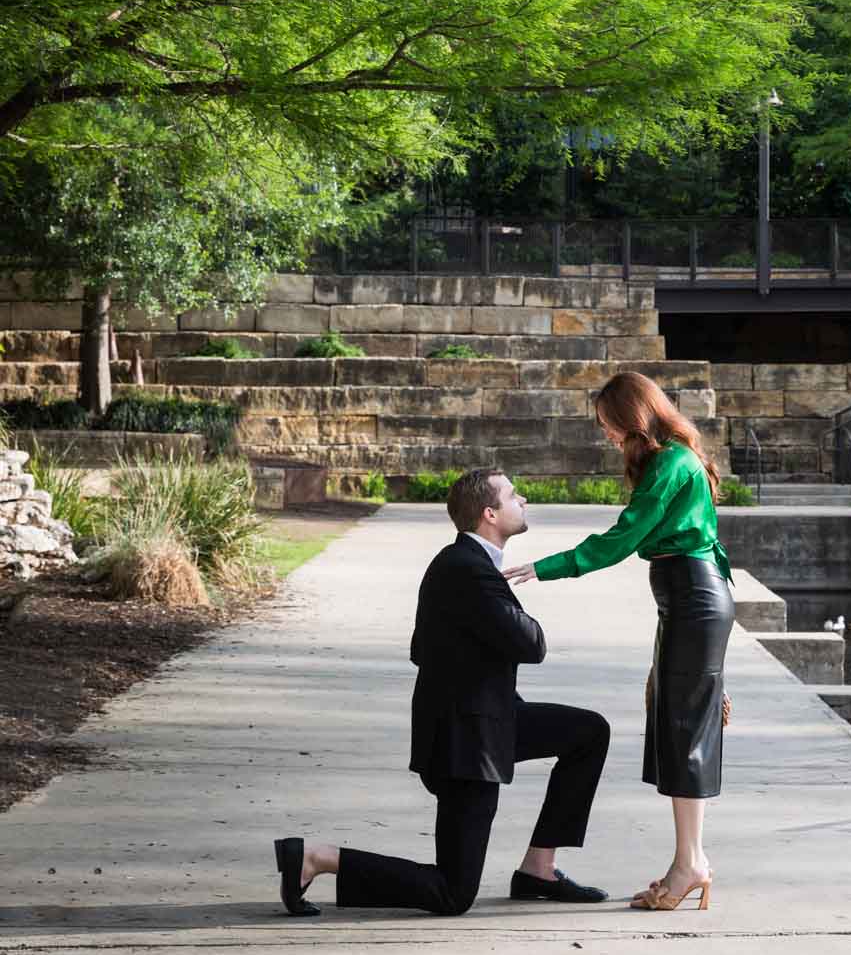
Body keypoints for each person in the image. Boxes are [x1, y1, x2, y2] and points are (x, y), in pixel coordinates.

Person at [274, 467, 610, 919]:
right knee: (454, 893)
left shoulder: (462, 565)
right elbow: (532, 643)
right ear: (489, 513)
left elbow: (424, 648)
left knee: (587, 732)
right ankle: (316, 858)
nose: (523, 500)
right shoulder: (469, 570)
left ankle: (539, 868)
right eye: (514, 495)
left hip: (488, 720)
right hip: (465, 745)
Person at [508, 371, 733, 914]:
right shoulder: (673, 460)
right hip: (686, 599)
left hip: (693, 598)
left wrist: (545, 568)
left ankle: (691, 863)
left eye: (609, 424)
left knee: (685, 728)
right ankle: (689, 860)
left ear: (634, 418)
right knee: (675, 721)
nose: (606, 434)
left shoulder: (672, 462)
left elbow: (621, 538)